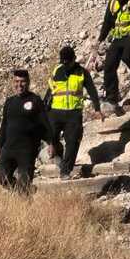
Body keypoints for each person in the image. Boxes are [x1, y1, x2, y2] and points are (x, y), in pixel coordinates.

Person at [41, 46, 101, 180]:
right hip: (55, 113)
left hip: (73, 114)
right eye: (64, 62)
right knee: (51, 139)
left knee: (73, 141)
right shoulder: (57, 71)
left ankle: (65, 171)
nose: (66, 64)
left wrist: (97, 109)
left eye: (69, 61)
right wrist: (43, 111)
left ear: (74, 59)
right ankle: (60, 158)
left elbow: (92, 91)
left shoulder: (82, 72)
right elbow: (50, 91)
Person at [0, 69, 51, 192]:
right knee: (1, 178)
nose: (19, 85)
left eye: (23, 81)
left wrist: (51, 143)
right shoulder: (9, 102)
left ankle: (23, 200)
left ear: (28, 82)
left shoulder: (35, 100)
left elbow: (45, 124)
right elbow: (4, 125)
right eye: (16, 81)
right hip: (8, 148)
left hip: (27, 150)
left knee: (24, 182)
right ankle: (18, 191)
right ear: (12, 82)